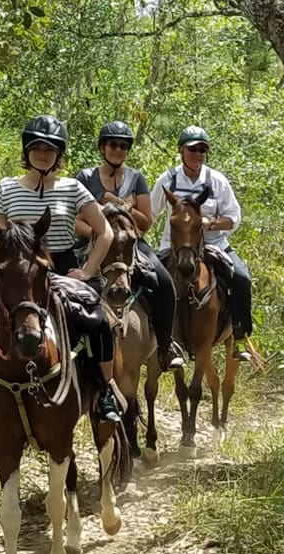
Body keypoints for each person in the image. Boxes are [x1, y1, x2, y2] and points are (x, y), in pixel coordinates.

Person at [0, 115, 123, 427]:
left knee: (99, 323)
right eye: (36, 147)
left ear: (58, 154)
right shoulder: (7, 188)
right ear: (26, 151)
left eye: (50, 148)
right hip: (13, 273)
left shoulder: (73, 188)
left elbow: (105, 232)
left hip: (60, 270)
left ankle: (104, 392)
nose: (42, 153)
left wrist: (87, 271)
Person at [76, 120, 184, 372]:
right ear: (103, 148)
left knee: (164, 282)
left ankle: (166, 346)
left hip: (130, 243)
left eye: (123, 146)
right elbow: (74, 220)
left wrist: (120, 205)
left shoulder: (136, 179)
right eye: (113, 144)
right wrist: (101, 233)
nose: (118, 150)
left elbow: (145, 223)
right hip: (89, 243)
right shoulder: (85, 178)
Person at [150, 125, 253, 360]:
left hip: (214, 246)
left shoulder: (217, 181)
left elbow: (234, 218)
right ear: (181, 151)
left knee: (241, 279)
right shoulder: (167, 180)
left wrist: (210, 223)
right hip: (173, 248)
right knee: (149, 282)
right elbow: (150, 214)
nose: (197, 155)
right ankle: (154, 339)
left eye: (202, 150)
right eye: (192, 149)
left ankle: (239, 336)